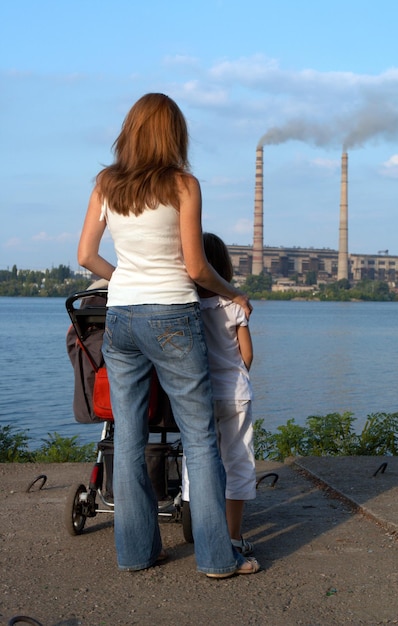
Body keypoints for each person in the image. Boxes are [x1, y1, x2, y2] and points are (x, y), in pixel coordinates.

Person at [77, 93, 260, 577]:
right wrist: (234, 293)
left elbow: (86, 255)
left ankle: (137, 553)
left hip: (122, 317)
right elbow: (197, 267)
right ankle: (219, 558)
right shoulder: (183, 185)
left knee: (130, 434)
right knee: (199, 440)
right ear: (174, 134)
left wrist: (125, 279)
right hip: (173, 316)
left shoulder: (106, 184)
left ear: (129, 131)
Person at [182, 233, 256, 556]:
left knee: (196, 460)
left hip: (199, 395)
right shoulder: (234, 305)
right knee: (237, 461)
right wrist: (237, 376)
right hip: (235, 394)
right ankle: (233, 536)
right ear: (224, 266)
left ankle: (202, 531)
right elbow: (248, 355)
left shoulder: (188, 307)